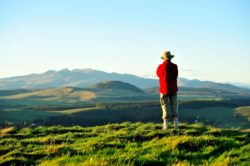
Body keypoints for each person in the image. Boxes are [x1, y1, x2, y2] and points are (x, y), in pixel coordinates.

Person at [156, 51, 179, 130]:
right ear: (170, 58)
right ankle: (176, 125)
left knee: (164, 106)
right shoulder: (174, 66)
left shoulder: (160, 67)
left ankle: (165, 125)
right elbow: (175, 76)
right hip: (173, 89)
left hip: (163, 89)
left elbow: (158, 75)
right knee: (174, 105)